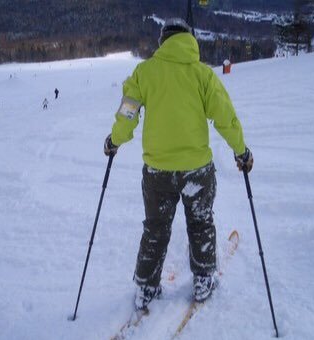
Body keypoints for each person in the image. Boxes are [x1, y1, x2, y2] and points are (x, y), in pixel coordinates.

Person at [104, 18, 253, 311]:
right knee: (200, 223)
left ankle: (146, 287)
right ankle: (202, 281)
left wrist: (114, 141)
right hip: (197, 169)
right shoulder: (202, 75)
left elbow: (127, 114)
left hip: (157, 172)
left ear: (163, 41)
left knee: (156, 228)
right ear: (189, 40)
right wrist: (241, 151)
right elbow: (225, 116)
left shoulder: (144, 73)